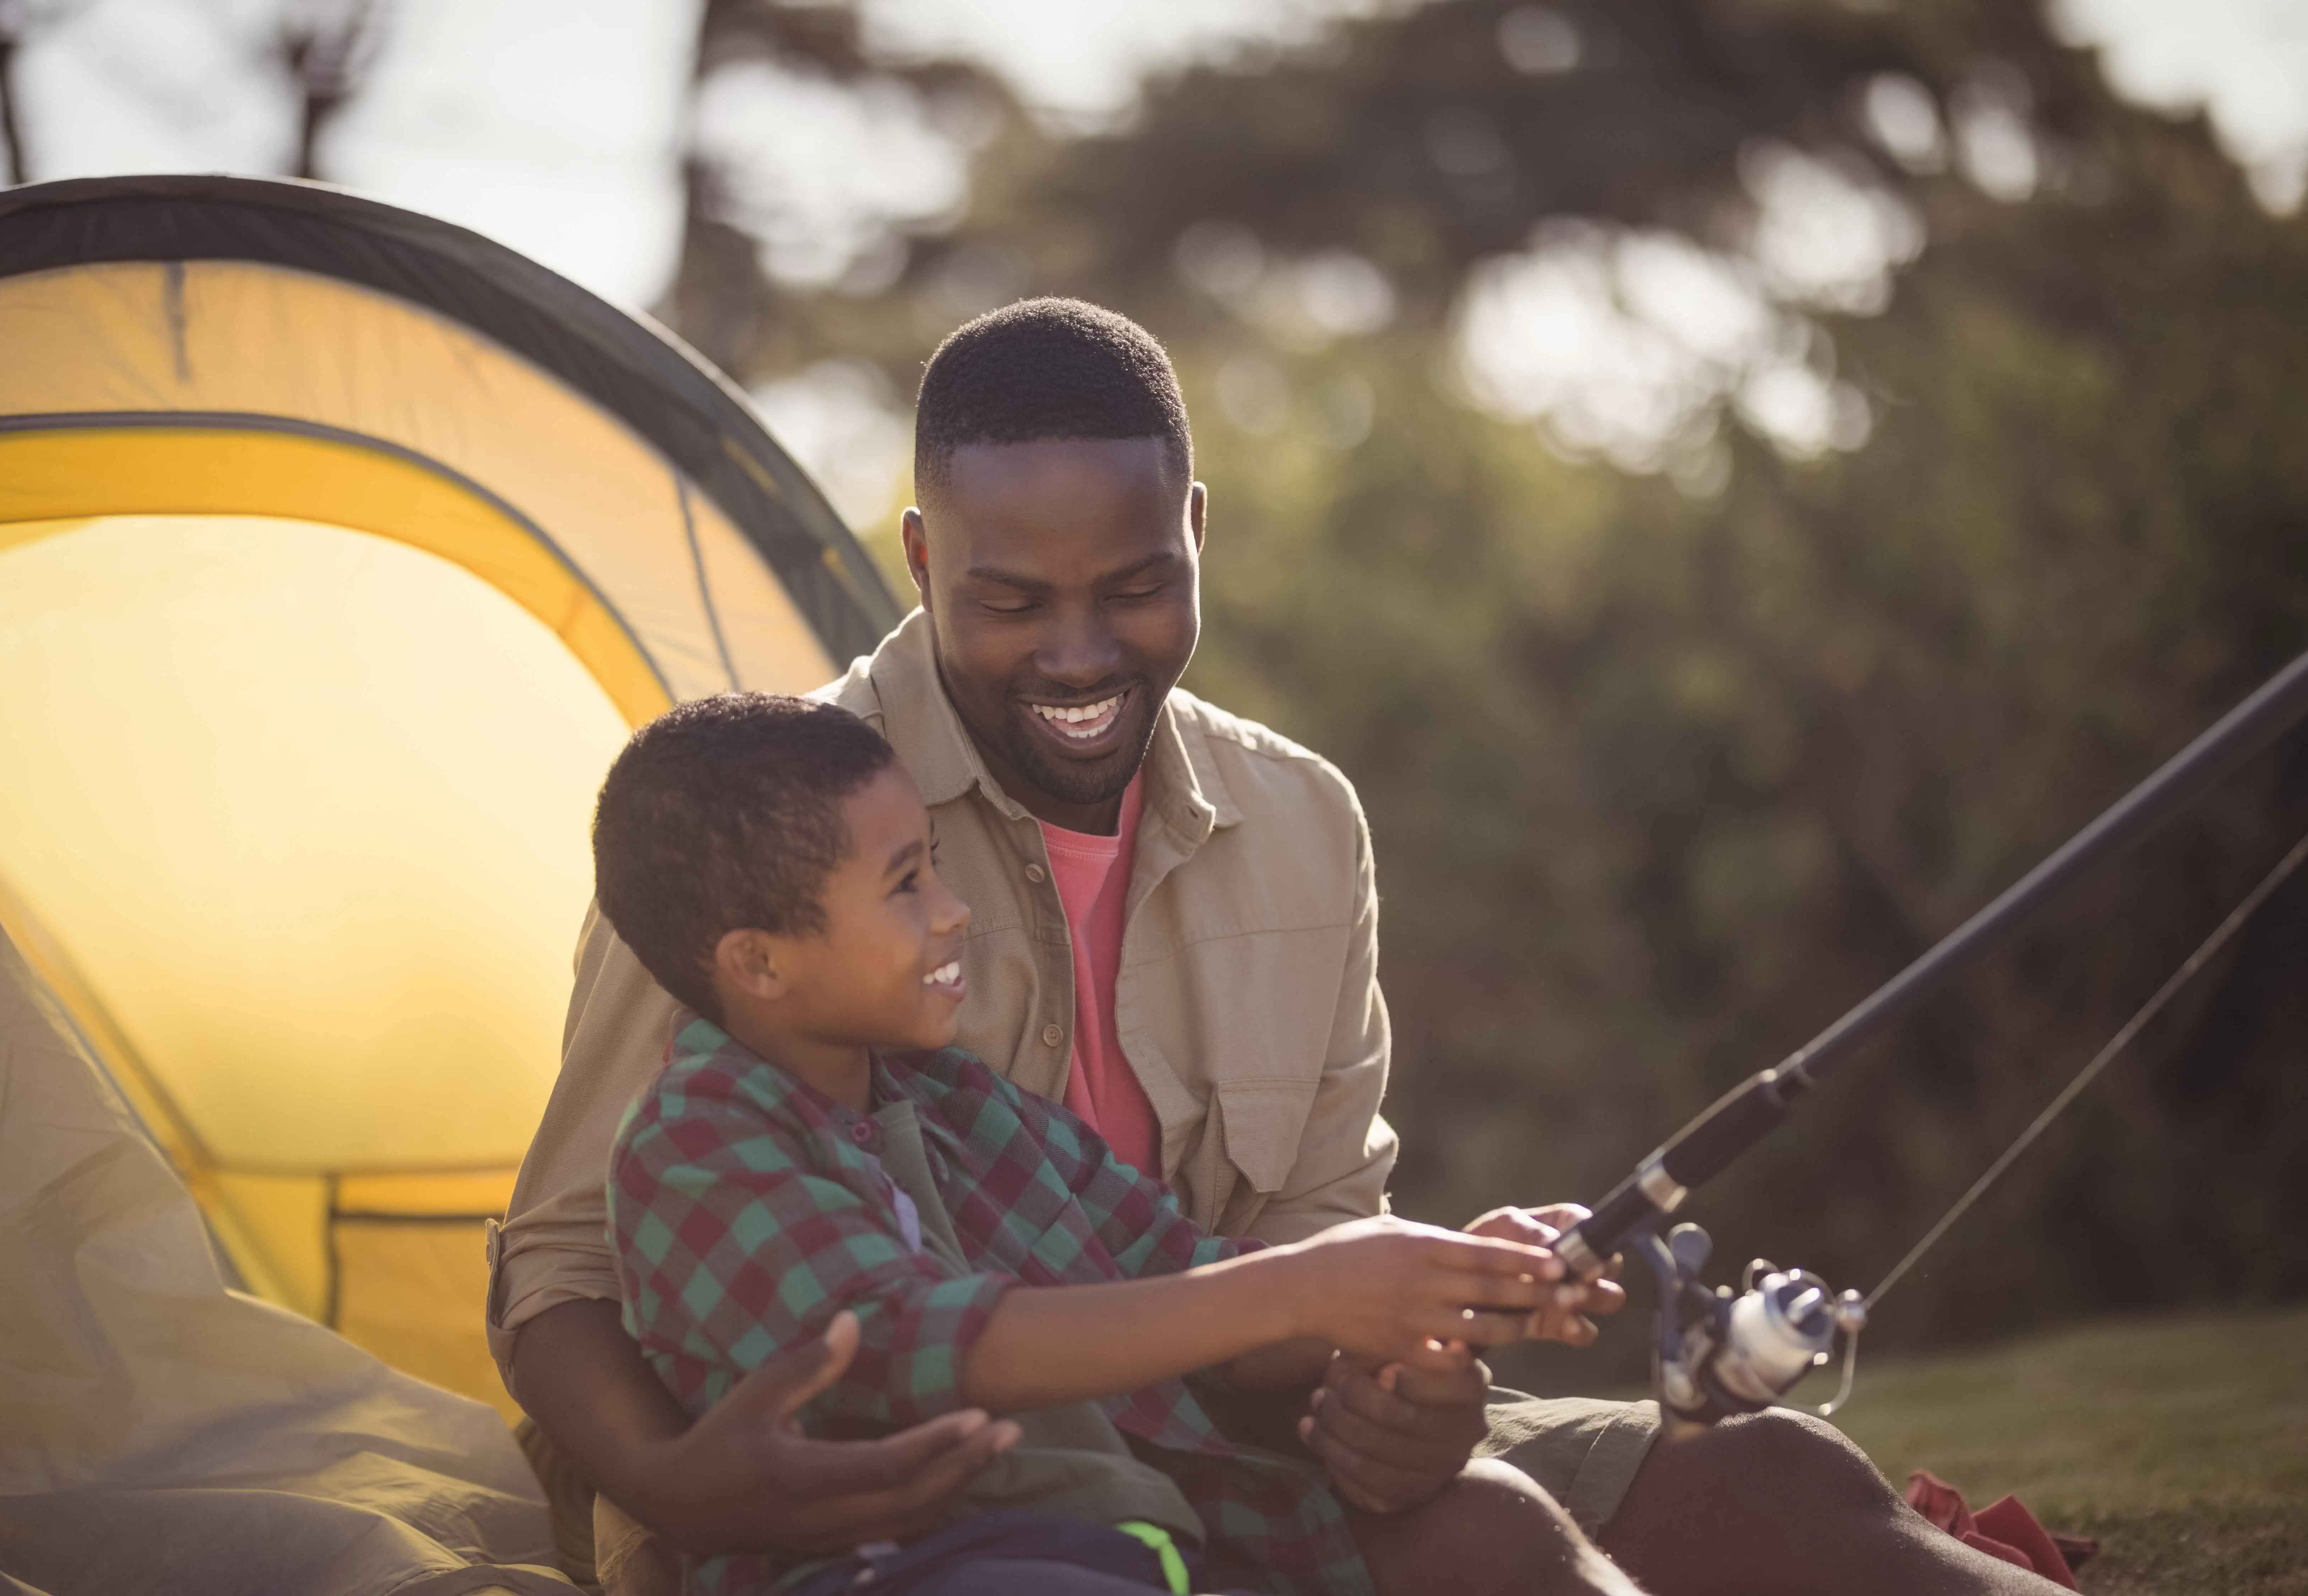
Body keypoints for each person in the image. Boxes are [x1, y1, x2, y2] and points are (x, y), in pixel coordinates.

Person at [490, 299, 2073, 1596]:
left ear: (1196, 529)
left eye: (1136, 586)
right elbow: (560, 1268)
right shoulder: (772, 833)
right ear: (918, 559)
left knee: (1776, 1480)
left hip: (1229, 1452)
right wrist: (673, 1479)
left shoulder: (1302, 820)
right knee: (1489, 1544)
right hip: (906, 1526)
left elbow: (1303, 1258)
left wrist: (1409, 1376)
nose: (1080, 654)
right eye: (1012, 600)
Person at [589, 691, 1636, 1596]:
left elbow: (1192, 1284)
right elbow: (907, 1347)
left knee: (1506, 1532)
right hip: (920, 1572)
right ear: (759, 965)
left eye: (939, 871)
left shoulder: (964, 1107)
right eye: (906, 884)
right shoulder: (697, 1144)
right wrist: (1310, 1288)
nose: (954, 914)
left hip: (1136, 1552)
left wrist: (1451, 1278)